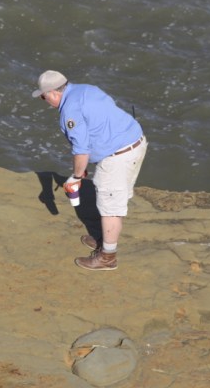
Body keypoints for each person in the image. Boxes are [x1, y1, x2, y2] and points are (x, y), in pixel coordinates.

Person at [32, 70, 147, 271]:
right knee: (115, 200)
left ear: (52, 93)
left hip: (118, 157)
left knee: (110, 208)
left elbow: (81, 149)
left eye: (43, 96)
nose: (44, 100)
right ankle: (104, 239)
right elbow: (101, 120)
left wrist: (77, 176)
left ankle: (107, 258)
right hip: (136, 141)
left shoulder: (70, 111)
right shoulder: (87, 90)